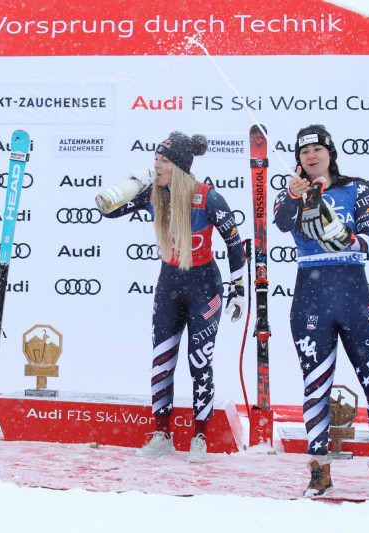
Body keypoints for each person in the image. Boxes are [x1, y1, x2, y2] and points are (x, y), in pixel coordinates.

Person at [103, 131, 246, 463]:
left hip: (204, 287)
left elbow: (235, 243)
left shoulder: (207, 197)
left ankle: (199, 437)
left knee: (200, 362)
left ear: (179, 168)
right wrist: (131, 185)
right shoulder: (154, 194)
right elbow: (107, 211)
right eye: (155, 159)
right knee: (161, 362)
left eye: (163, 161)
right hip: (169, 285)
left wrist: (238, 288)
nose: (156, 166)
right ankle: (162, 434)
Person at [272, 124, 369, 497]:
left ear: (330, 152)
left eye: (317, 149)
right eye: (304, 151)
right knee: (316, 387)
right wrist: (294, 197)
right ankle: (319, 467)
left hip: (354, 294)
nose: (311, 155)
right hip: (311, 296)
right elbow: (279, 223)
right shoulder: (292, 191)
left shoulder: (356, 188)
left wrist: (347, 237)